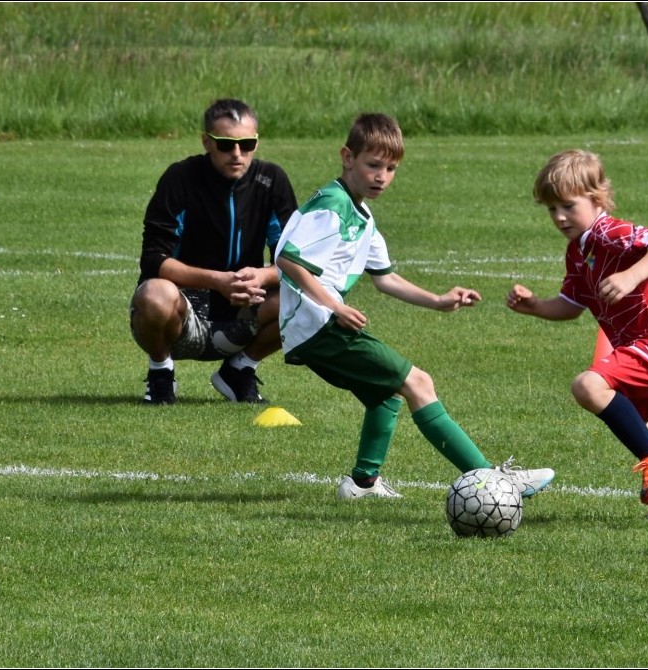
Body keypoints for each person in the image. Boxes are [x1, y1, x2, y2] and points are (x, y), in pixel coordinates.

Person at [274, 112, 555, 500]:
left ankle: (362, 484)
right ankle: (493, 480)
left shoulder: (362, 215)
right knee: (417, 382)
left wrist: (438, 301)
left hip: (319, 327)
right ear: (347, 157)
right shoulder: (332, 204)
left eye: (391, 168)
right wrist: (335, 308)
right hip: (319, 327)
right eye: (373, 165)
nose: (382, 176)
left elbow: (385, 278)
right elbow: (288, 260)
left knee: (386, 396)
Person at [506, 149, 648, 517]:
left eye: (568, 205)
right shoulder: (578, 251)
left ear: (597, 199)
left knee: (588, 386)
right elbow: (570, 305)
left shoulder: (609, 232)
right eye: (551, 209)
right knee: (638, 424)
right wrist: (535, 306)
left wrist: (632, 275)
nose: (560, 217)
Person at [130, 98, 298, 405]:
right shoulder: (180, 179)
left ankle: (240, 369)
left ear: (256, 142)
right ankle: (161, 371)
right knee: (153, 294)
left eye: (246, 144)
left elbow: (294, 260)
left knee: (313, 295)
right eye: (225, 145)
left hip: (244, 310)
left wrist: (261, 276)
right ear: (207, 142)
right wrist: (219, 281)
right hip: (181, 317)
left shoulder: (272, 181)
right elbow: (154, 260)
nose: (237, 154)